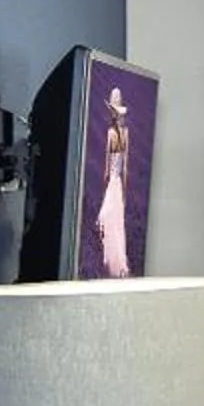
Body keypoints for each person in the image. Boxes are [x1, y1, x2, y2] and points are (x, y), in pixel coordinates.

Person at [93, 87, 132, 278]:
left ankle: (115, 261)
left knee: (109, 218)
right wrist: (123, 187)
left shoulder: (113, 133)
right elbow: (123, 164)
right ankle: (118, 263)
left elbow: (109, 164)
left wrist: (108, 183)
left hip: (113, 182)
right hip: (116, 182)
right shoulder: (123, 133)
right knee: (115, 219)